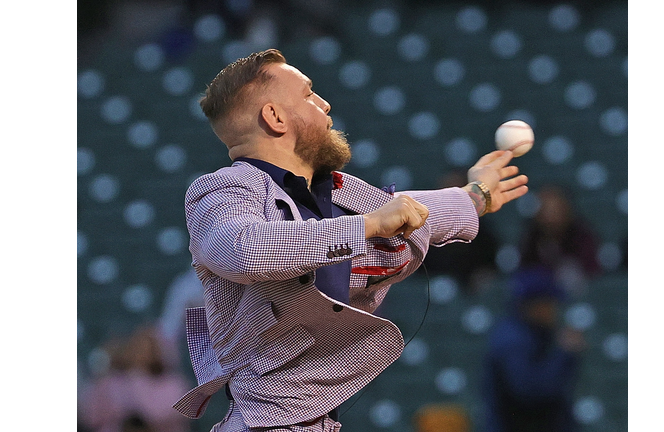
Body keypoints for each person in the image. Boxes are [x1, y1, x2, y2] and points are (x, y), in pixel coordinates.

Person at [172, 48, 529, 432]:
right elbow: (246, 250)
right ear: (275, 117)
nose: (324, 104)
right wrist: (367, 225)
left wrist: (476, 195)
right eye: (308, 94)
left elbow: (411, 211)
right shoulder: (223, 190)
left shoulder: (336, 195)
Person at [481, 266, 586, 432]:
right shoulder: (512, 340)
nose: (554, 310)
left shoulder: (532, 334)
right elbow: (530, 391)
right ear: (532, 305)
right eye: (549, 303)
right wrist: (565, 354)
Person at [80, 325, 193, 432]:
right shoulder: (113, 381)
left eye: (148, 348)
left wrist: (137, 377)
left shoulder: (173, 384)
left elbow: (157, 415)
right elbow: (92, 416)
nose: (141, 353)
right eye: (138, 347)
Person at [518, 185, 601, 296]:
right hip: (539, 296)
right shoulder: (531, 237)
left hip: (574, 294)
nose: (549, 217)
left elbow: (591, 272)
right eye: (545, 210)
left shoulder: (582, 236)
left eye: (554, 210)